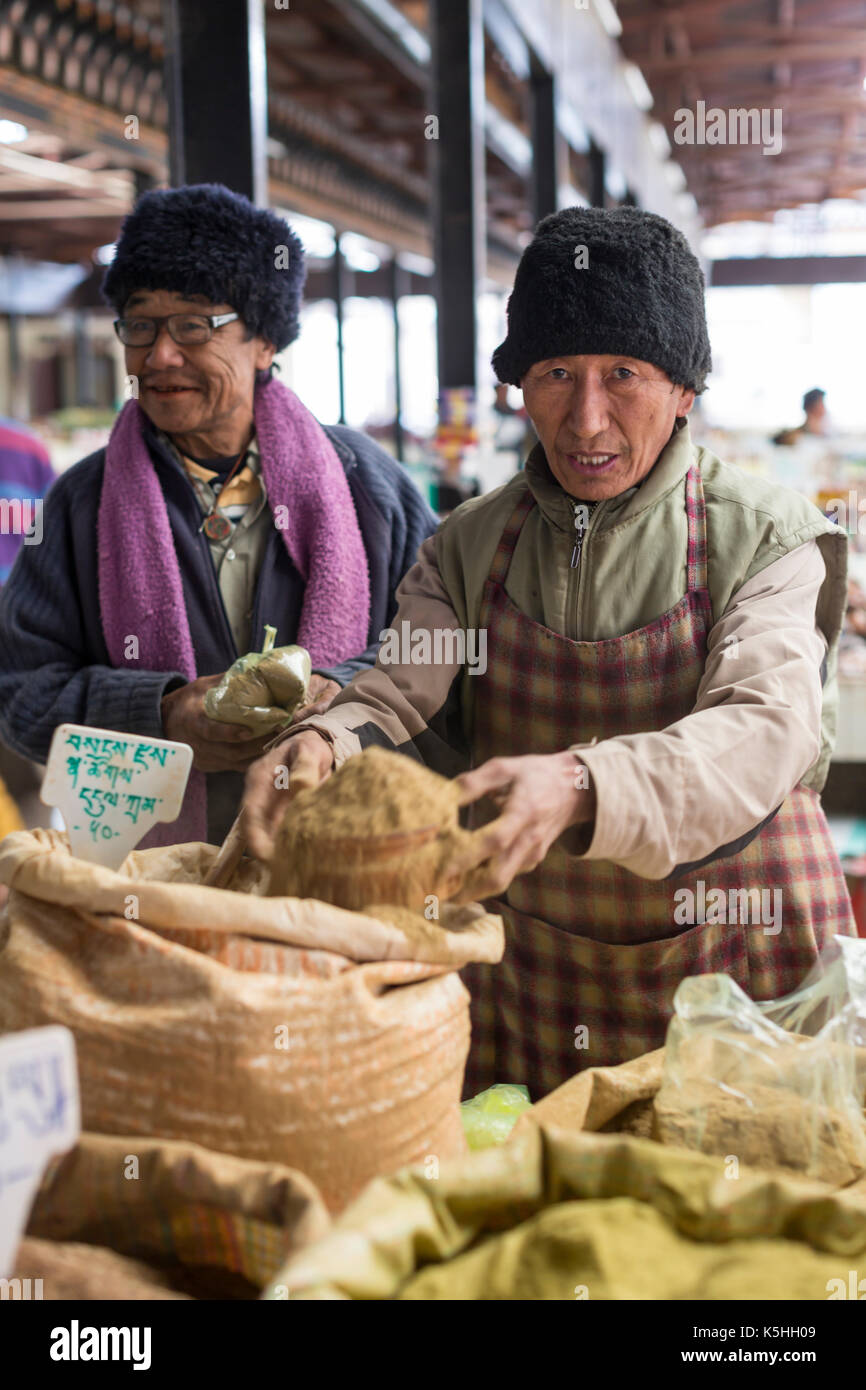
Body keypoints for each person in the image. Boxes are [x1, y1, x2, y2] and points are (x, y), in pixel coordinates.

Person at [244, 206, 855, 1099]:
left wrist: (579, 784)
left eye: (625, 374)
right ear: (519, 387)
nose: (587, 417)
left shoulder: (765, 538)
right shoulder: (469, 543)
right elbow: (397, 696)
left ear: (686, 389)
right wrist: (331, 739)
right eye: (557, 373)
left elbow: (759, 731)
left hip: (738, 955)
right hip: (543, 965)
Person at [0, 184, 437, 846]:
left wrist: (334, 693)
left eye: (194, 326)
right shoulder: (80, 504)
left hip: (344, 857)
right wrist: (163, 714)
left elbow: (440, 647)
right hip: (158, 884)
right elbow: (19, 692)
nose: (159, 356)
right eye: (140, 325)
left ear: (264, 341)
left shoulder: (367, 487)